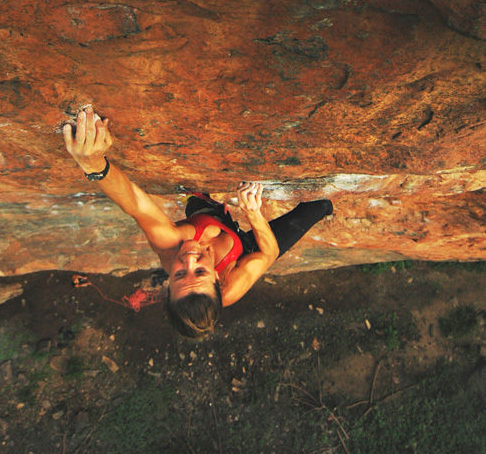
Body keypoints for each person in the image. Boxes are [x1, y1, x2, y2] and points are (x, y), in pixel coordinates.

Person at [63, 105, 333, 338]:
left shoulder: (171, 246)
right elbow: (270, 253)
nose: (189, 260)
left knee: (201, 200)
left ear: (169, 281)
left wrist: (94, 164)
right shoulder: (230, 289)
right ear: (217, 277)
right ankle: (326, 209)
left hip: (206, 212)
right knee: (319, 206)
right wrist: (253, 213)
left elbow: (137, 205)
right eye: (200, 272)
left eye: (179, 274)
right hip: (245, 249)